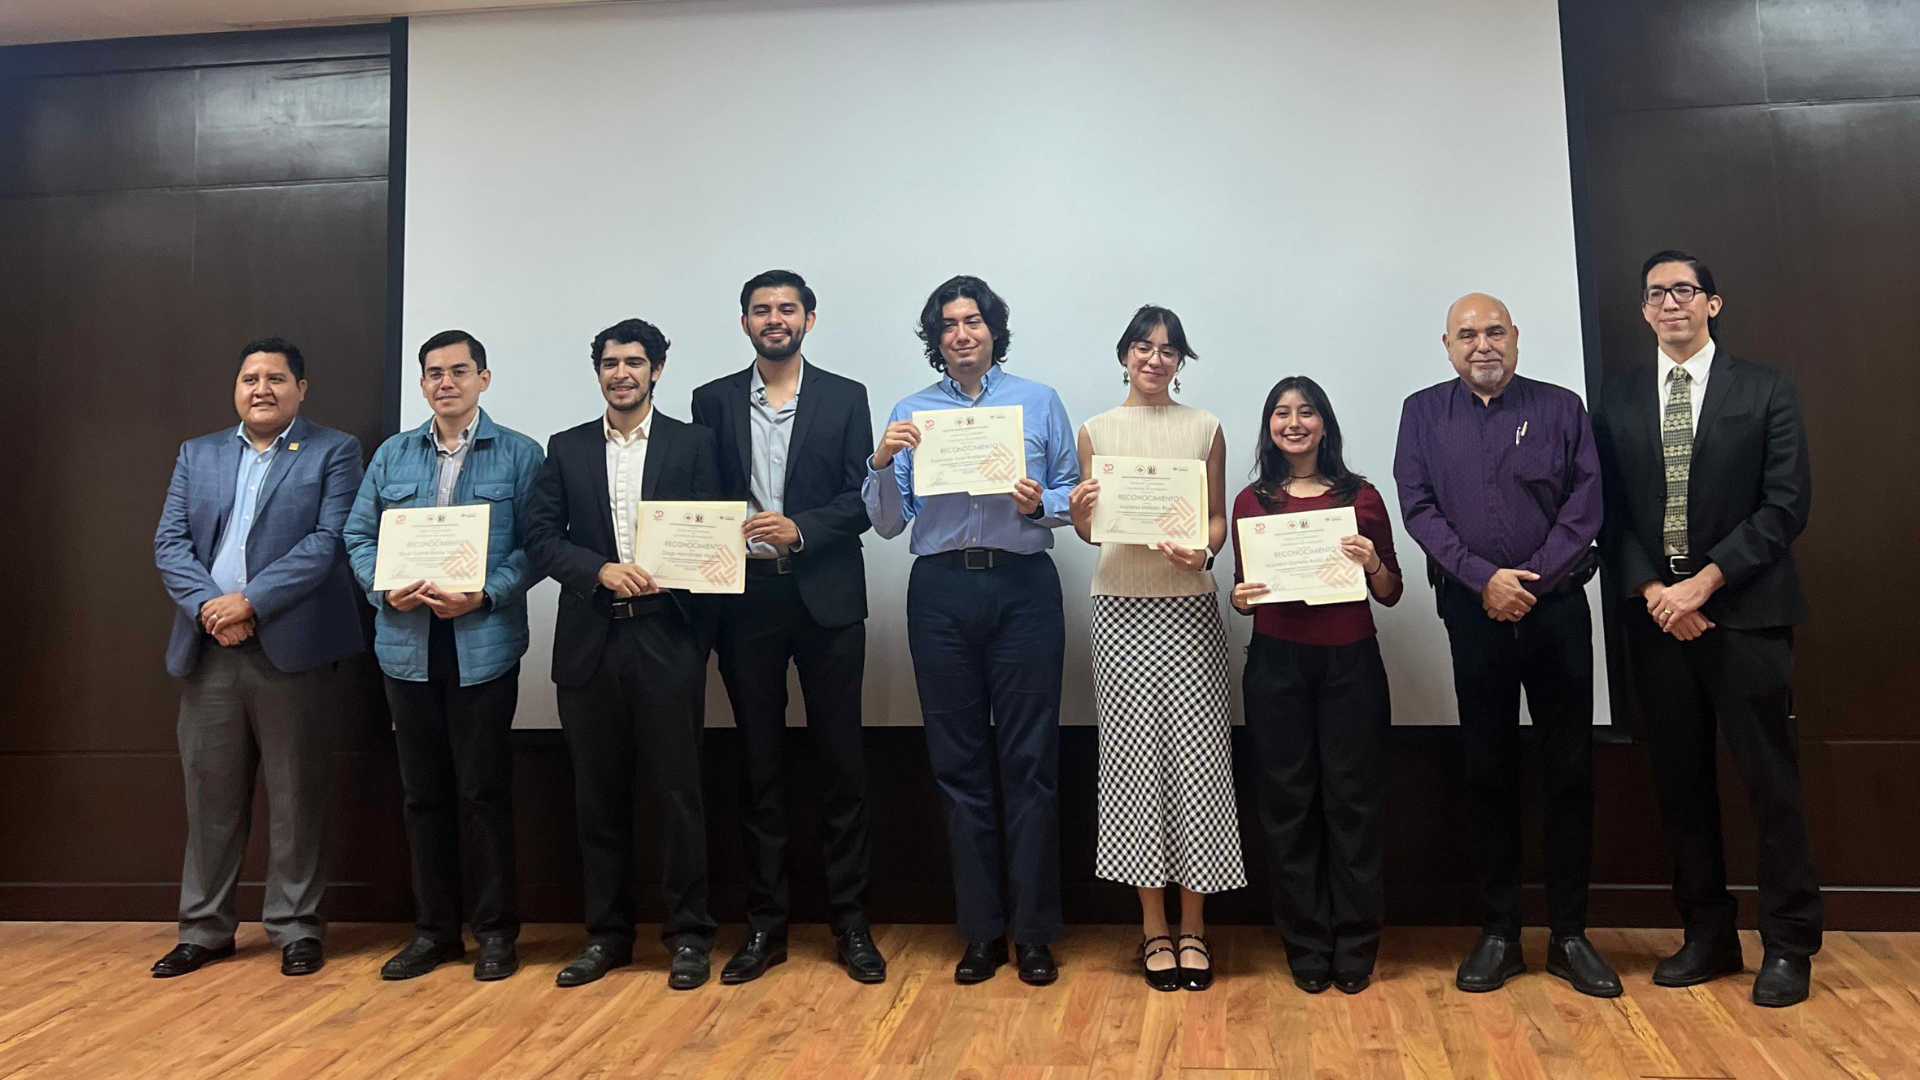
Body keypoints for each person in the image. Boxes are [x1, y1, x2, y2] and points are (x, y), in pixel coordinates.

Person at [1593, 251, 1819, 1008]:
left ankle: (1788, 943)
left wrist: (1706, 582)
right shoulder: (1618, 399)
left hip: (1746, 614)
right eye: (1656, 293)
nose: (1670, 303)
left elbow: (1785, 505)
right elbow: (1608, 512)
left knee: (1771, 785)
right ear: (1644, 310)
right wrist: (1657, 590)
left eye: (1684, 290)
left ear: (1712, 304)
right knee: (1681, 786)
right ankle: (1708, 934)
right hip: (1658, 619)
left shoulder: (1766, 388)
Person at [1393, 294, 1621, 998]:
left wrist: (1532, 581)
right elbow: (1418, 506)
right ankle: (1500, 934)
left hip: (1558, 613)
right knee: (1487, 771)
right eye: (1467, 334)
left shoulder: (1562, 408)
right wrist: (1483, 579)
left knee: (1570, 772)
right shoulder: (1422, 413)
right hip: (1473, 615)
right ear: (1447, 345)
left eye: (1494, 331)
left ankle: (1570, 936)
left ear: (1516, 337)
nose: (1482, 344)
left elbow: (1586, 504)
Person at [863, 274, 1079, 986]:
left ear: (993, 331)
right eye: (949, 324)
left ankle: (1034, 932)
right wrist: (881, 463)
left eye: (973, 321)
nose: (962, 333)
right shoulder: (911, 412)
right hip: (942, 592)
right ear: (937, 339)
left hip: (1023, 589)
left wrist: (1038, 502)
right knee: (957, 766)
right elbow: (888, 523)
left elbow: (1074, 496)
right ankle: (981, 931)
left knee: (1030, 763)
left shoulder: (1039, 401)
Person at [690, 271, 886, 985]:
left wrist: (800, 528)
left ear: (809, 318)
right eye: (761, 310)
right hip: (746, 601)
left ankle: (851, 923)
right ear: (744, 322)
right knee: (758, 765)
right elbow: (701, 496)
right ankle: (765, 926)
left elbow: (862, 499)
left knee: (842, 763)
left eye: (787, 308)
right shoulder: (711, 400)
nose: (775, 319)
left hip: (826, 597)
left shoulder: (846, 396)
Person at [150, 338, 365, 979]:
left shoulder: (334, 450)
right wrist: (211, 608)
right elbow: (170, 543)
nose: (261, 389)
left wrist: (251, 602)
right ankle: (205, 929)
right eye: (250, 378)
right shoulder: (198, 453)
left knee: (296, 797)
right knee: (210, 799)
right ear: (236, 388)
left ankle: (295, 927)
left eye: (276, 378)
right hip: (209, 646)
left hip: (291, 648)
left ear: (302, 388)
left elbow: (329, 541)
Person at [525, 317, 723, 991]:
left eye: (634, 362)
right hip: (591, 640)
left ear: (656, 371)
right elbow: (541, 538)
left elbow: (716, 531)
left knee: (679, 796)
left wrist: (694, 633)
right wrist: (599, 570)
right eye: (610, 363)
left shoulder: (694, 444)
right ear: (598, 373)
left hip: (667, 636)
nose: (621, 374)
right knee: (597, 799)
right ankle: (606, 936)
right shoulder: (567, 447)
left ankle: (689, 936)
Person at [344, 329, 544, 983]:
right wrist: (384, 587)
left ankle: (495, 933)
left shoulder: (520, 454)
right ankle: (434, 932)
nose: (446, 382)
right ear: (423, 383)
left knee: (484, 791)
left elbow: (537, 545)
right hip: (406, 648)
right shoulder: (392, 454)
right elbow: (357, 534)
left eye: (459, 371)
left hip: (483, 645)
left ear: (484, 378)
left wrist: (485, 593)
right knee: (422, 795)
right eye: (434, 373)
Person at [1066, 305, 1242, 993]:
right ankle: (1152, 928)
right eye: (1143, 347)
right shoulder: (1096, 430)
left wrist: (1206, 549)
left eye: (1168, 350)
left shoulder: (1206, 427)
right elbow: (1092, 532)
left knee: (1198, 761)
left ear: (1180, 361)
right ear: (1124, 356)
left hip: (1189, 604)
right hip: (1120, 608)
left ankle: (1194, 926)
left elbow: (1216, 517)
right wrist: (1079, 515)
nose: (1155, 359)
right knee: (1135, 763)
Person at [1230, 375, 1402, 996]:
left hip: (1349, 662)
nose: (1294, 423)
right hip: (1277, 664)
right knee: (1287, 806)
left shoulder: (1362, 497)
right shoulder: (1252, 502)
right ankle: (1305, 943)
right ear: (1269, 427)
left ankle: (1356, 942)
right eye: (1281, 413)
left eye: (1306, 412)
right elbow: (1246, 593)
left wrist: (1372, 562)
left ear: (1324, 424)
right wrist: (1240, 599)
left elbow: (1390, 591)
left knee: (1354, 804)